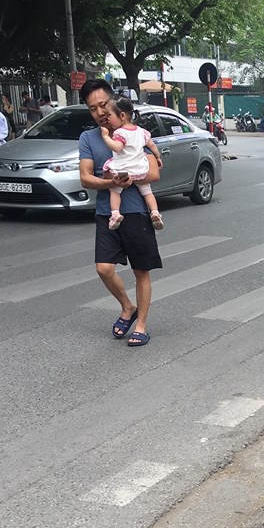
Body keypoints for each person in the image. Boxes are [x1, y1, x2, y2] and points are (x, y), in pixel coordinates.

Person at [78, 78, 162, 348]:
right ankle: (128, 306)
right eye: (93, 109)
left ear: (114, 102)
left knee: (141, 270)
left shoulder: (135, 131)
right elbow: (85, 178)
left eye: (103, 105)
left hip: (137, 210)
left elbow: (153, 172)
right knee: (103, 268)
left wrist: (130, 175)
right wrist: (111, 183)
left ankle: (141, 325)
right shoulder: (89, 138)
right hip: (107, 212)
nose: (100, 112)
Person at [100, 95, 165, 231]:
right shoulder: (141, 132)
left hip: (123, 170)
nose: (108, 118)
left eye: (110, 115)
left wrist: (106, 137)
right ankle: (154, 212)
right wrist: (158, 157)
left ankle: (115, 214)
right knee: (147, 192)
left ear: (122, 115)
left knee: (115, 191)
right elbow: (152, 145)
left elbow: (117, 147)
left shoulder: (120, 133)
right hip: (141, 169)